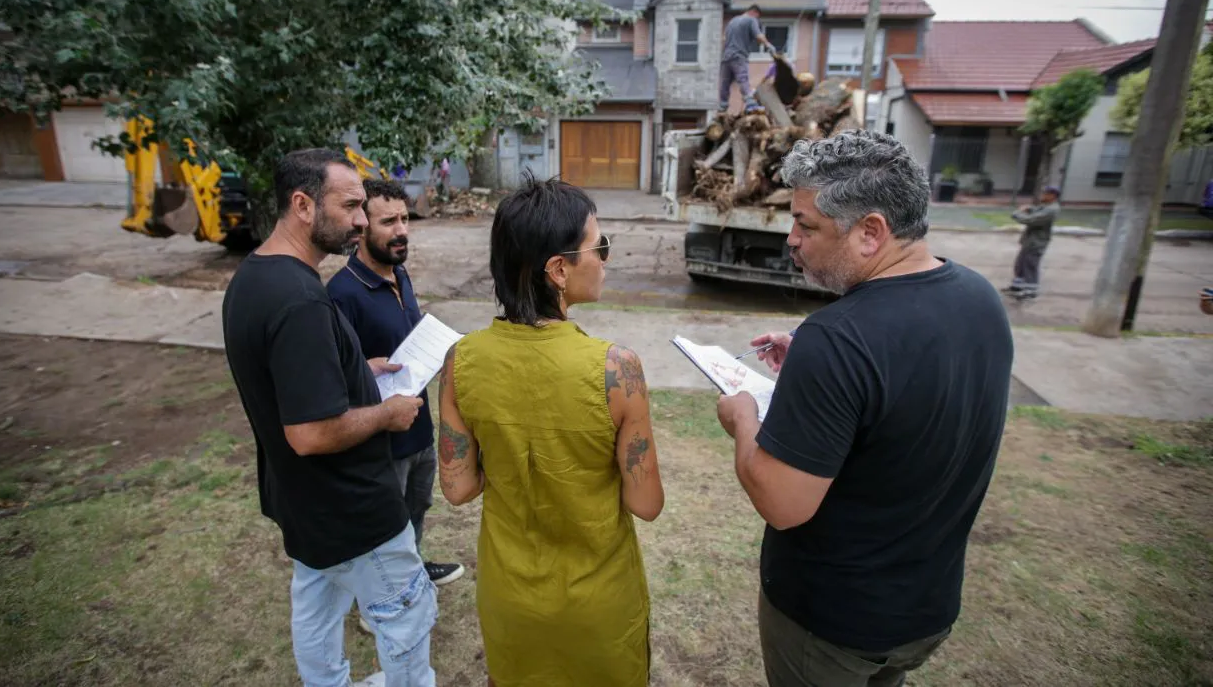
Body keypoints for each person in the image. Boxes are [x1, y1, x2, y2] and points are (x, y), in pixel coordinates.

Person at [715, 132, 1013, 687]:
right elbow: (909, 390)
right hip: (925, 608)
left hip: (833, 624)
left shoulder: (838, 339)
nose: (791, 240)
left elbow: (782, 503)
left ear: (870, 231)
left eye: (806, 225)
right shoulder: (979, 297)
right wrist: (823, 375)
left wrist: (742, 419)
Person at [436, 176, 665, 687]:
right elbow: (646, 503)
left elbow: (458, 488)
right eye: (599, 247)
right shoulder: (617, 369)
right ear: (559, 270)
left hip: (511, 599)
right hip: (597, 604)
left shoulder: (459, 361)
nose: (605, 259)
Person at [222, 149, 436, 687]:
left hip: (303, 504)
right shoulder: (302, 302)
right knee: (407, 616)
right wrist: (386, 413)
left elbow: (287, 382)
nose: (361, 221)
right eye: (350, 207)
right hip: (352, 508)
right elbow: (311, 433)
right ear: (302, 205)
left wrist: (356, 367)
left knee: (316, 609)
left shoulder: (253, 279)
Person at [327, 178, 465, 590]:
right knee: (383, 523)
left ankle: (411, 572)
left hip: (418, 428)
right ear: (361, 226)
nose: (401, 230)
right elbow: (330, 376)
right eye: (388, 222)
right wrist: (361, 370)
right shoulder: (341, 294)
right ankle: (381, 595)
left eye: (405, 219)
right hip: (379, 441)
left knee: (416, 508)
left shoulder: (400, 275)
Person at [1005, 186, 1061, 301]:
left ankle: (1030, 292)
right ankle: (1017, 287)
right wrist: (1029, 208)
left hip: (1036, 242)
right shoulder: (1046, 206)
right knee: (1020, 265)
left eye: (1045, 194)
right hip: (1030, 240)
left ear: (1052, 196)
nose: (1042, 195)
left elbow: (1030, 220)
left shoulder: (1051, 210)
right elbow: (1035, 210)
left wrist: (1017, 213)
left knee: (1030, 266)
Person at [719, 3, 775, 113]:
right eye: (758, 17)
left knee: (725, 83)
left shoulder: (732, 21)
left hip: (726, 56)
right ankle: (750, 104)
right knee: (742, 78)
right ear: (755, 12)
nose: (757, 19)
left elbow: (724, 39)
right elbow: (758, 36)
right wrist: (768, 46)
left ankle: (722, 106)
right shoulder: (751, 20)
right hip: (739, 55)